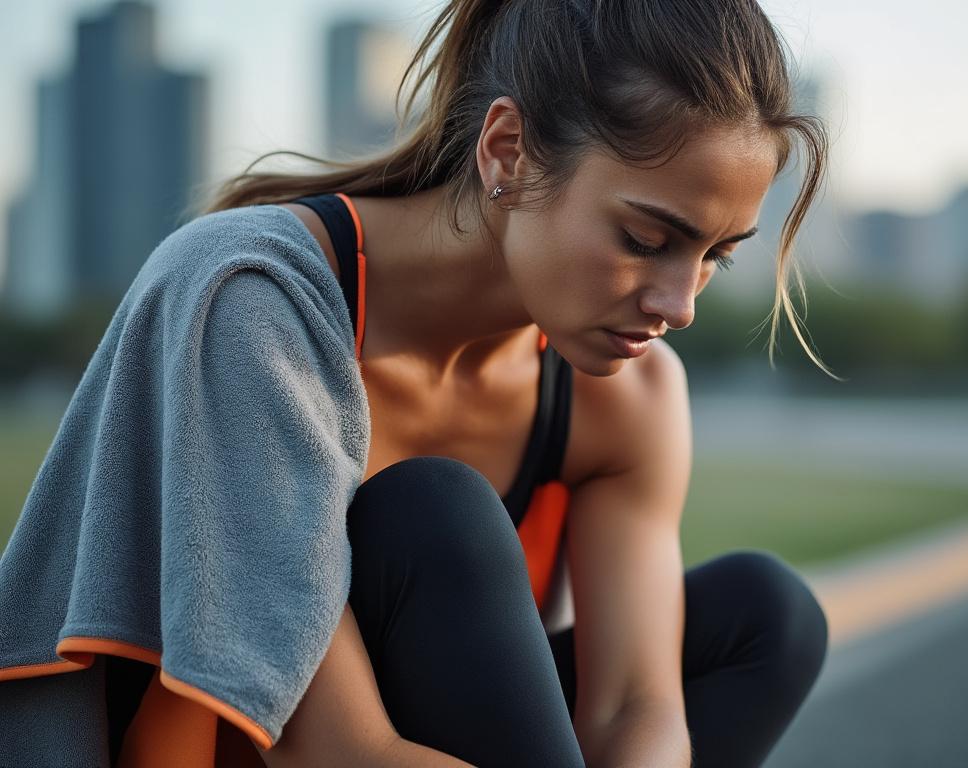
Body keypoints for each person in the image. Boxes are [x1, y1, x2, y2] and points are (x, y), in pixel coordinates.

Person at [0, 0, 832, 766]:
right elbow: (339, 752)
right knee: (437, 511)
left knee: (767, 617)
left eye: (715, 255)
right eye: (647, 238)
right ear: (507, 150)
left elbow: (632, 712)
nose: (680, 305)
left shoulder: (631, 394)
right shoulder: (255, 299)